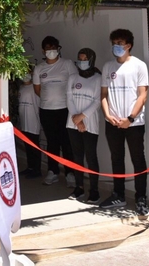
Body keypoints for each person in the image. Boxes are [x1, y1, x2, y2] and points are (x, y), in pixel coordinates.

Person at [99, 28, 149, 216]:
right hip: (113, 123)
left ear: (129, 45)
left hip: (133, 124)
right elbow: (103, 95)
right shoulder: (108, 67)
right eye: (114, 43)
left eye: (120, 43)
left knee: (138, 160)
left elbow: (143, 95)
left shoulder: (139, 66)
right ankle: (118, 195)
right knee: (116, 158)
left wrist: (130, 118)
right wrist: (107, 115)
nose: (116, 47)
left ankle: (141, 198)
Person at [33, 35, 79, 187]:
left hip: (65, 110)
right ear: (43, 51)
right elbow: (37, 90)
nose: (51, 51)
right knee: (52, 142)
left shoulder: (67, 64)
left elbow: (75, 84)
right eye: (48, 49)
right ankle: (52, 171)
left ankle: (70, 173)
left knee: (67, 142)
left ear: (58, 49)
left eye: (54, 48)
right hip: (46, 110)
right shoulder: (39, 68)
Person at [66, 48, 102, 203]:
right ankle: (79, 187)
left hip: (90, 124)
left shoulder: (98, 78)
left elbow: (98, 100)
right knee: (77, 156)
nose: (82, 62)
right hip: (73, 123)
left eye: (85, 59)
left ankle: (94, 190)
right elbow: (69, 98)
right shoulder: (72, 77)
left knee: (91, 157)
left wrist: (82, 117)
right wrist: (77, 120)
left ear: (92, 60)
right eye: (79, 59)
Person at [18, 68, 42, 179]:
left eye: (27, 73)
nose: (25, 75)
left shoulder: (35, 88)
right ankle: (30, 167)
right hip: (24, 122)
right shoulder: (21, 88)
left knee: (34, 146)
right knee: (27, 146)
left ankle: (37, 169)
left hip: (33, 121)